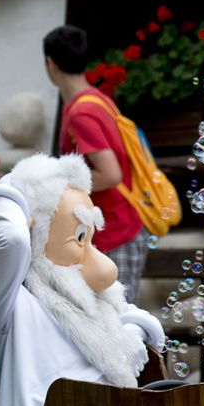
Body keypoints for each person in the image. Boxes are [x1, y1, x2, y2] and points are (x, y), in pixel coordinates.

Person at [0, 153, 166, 406]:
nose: (103, 264)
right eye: (79, 239)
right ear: (31, 233)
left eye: (90, 238)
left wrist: (128, 336)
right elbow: (12, 243)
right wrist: (13, 191)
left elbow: (143, 320)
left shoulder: (80, 294)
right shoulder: (2, 301)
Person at [42, 25, 149, 307]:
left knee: (119, 318)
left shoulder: (81, 112)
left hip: (116, 230)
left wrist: (60, 185)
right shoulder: (97, 100)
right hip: (116, 228)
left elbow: (110, 174)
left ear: (50, 63)